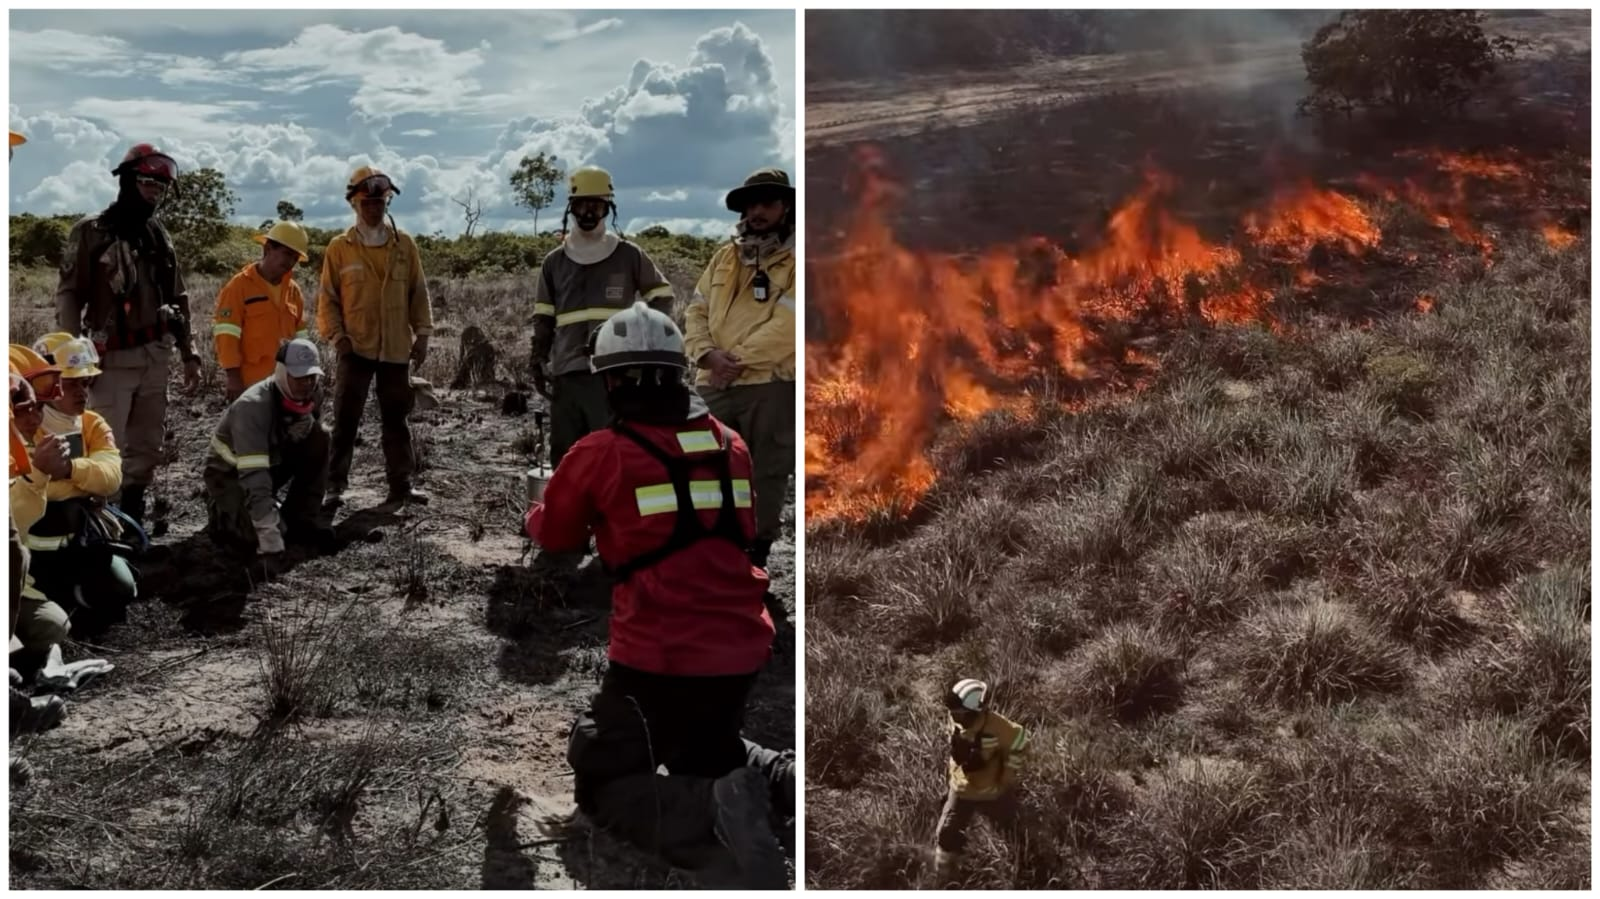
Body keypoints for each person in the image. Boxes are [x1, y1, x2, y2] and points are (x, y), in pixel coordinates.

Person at [524, 302, 792, 887]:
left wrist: (538, 507)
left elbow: (559, 536)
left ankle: (711, 812)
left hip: (658, 657)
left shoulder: (599, 453)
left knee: (602, 781)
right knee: (706, 748)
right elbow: (741, 535)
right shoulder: (731, 445)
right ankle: (780, 778)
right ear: (676, 374)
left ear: (613, 380)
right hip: (740, 651)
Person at [55, 142, 200, 527]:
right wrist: (71, 353)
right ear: (128, 181)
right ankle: (99, 520)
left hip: (156, 354)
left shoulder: (158, 235)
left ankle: (132, 508)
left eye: (160, 186)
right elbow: (69, 293)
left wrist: (190, 352)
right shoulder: (92, 232)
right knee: (106, 442)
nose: (155, 191)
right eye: (147, 182)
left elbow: (179, 294)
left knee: (147, 445)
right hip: (112, 358)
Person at [684, 168, 797, 570]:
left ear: (786, 206)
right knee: (701, 463)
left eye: (767, 203)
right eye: (751, 204)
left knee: (765, 471)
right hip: (712, 381)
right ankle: (707, 541)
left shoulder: (798, 258)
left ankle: (757, 548)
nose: (757, 212)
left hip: (768, 384)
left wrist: (734, 362)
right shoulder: (724, 255)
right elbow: (696, 309)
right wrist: (706, 355)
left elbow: (789, 325)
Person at [528, 165, 677, 468]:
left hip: (615, 374)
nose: (588, 212)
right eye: (582, 205)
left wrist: (645, 341)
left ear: (608, 208)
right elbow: (543, 315)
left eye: (596, 205)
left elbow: (662, 296)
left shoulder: (628, 254)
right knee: (566, 455)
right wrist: (538, 357)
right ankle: (569, 514)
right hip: (567, 371)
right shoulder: (554, 261)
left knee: (611, 452)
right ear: (572, 208)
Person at [317, 165, 432, 511]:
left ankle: (402, 485)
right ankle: (334, 486)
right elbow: (328, 298)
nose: (374, 208)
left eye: (380, 201)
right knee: (345, 420)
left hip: (395, 349)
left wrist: (423, 334)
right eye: (367, 202)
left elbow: (418, 291)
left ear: (387, 203)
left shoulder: (404, 245)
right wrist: (338, 338)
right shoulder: (340, 248)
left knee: (396, 420)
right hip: (355, 347)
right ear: (354, 204)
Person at [19, 334, 139, 627]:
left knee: (122, 589)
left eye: (85, 383)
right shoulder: (23, 423)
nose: (81, 392)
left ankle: (73, 595)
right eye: (71, 383)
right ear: (45, 382)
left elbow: (111, 479)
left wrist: (68, 469)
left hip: (83, 540)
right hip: (29, 543)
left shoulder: (92, 424)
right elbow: (22, 488)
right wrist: (84, 486)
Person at [203, 338, 336, 577]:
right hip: (230, 474)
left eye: (311, 377)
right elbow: (254, 475)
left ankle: (302, 518)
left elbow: (307, 437)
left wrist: (302, 428)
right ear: (282, 373)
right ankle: (221, 514)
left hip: (271, 460)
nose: (307, 384)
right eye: (299, 377)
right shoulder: (251, 408)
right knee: (255, 534)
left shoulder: (314, 392)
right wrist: (270, 538)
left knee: (321, 436)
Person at [934, 677, 1029, 882]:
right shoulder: (956, 719)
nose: (952, 717)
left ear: (975, 712)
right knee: (946, 834)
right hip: (961, 788)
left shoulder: (999, 727)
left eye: (958, 713)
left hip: (993, 791)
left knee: (1014, 832)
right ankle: (945, 879)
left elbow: (1020, 740)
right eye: (951, 712)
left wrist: (1008, 775)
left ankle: (1023, 869)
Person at [214, 220, 313, 400]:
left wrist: (305, 372)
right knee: (253, 427)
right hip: (250, 383)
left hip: (286, 383)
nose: (290, 261)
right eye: (287, 254)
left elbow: (301, 336)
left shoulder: (294, 291)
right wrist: (233, 378)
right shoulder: (238, 287)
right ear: (268, 249)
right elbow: (226, 335)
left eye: (295, 257)